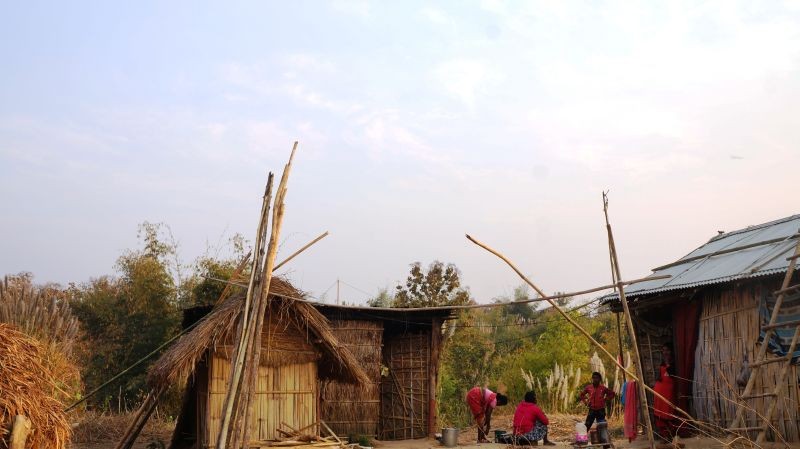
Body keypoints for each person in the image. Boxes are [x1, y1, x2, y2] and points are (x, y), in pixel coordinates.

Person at [654, 343, 681, 445]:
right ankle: (664, 436)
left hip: (669, 391)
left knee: (668, 412)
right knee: (659, 414)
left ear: (671, 351)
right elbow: (660, 376)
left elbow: (673, 375)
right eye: (663, 350)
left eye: (667, 350)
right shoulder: (662, 363)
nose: (665, 352)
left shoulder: (675, 363)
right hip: (659, 391)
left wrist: (668, 363)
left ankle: (670, 436)